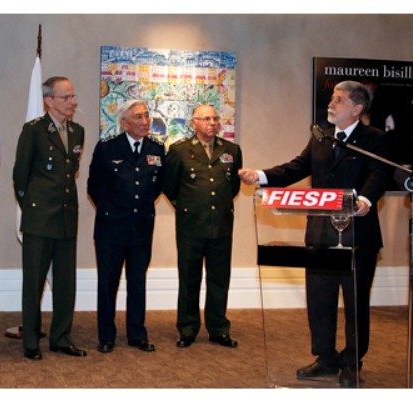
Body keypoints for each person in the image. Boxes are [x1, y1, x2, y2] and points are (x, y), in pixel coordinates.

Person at [238, 80, 389, 388]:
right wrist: (261, 176)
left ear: (357, 108)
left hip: (357, 236)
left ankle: (352, 362)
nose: (330, 104)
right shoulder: (321, 137)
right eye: (332, 98)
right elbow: (296, 168)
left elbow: (379, 174)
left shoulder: (374, 139)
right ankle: (325, 358)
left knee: (355, 302)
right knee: (320, 299)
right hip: (320, 234)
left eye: (338, 100)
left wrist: (365, 199)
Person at [13, 76, 86, 360]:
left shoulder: (77, 131)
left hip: (67, 217)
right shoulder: (34, 131)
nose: (72, 102)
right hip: (40, 219)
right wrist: (33, 207)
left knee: (66, 283)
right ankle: (31, 340)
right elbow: (20, 176)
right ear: (48, 101)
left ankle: (61, 337)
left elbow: (70, 171)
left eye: (73, 97)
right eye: (66, 97)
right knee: (34, 283)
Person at [87, 99, 164, 353]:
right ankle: (106, 336)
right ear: (124, 123)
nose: (145, 121)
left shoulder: (156, 149)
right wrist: (113, 210)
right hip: (111, 227)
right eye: (138, 117)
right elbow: (93, 186)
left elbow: (157, 186)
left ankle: (137, 334)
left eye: (146, 116)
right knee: (108, 282)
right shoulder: (107, 148)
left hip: (141, 226)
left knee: (137, 282)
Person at [163, 104, 242, 350]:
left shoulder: (231, 150)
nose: (212, 123)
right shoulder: (179, 150)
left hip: (221, 225)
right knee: (189, 278)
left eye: (215, 118)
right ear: (194, 123)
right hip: (191, 226)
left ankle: (218, 329)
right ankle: (187, 329)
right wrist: (189, 207)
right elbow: (170, 186)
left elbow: (233, 187)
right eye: (206, 119)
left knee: (220, 278)